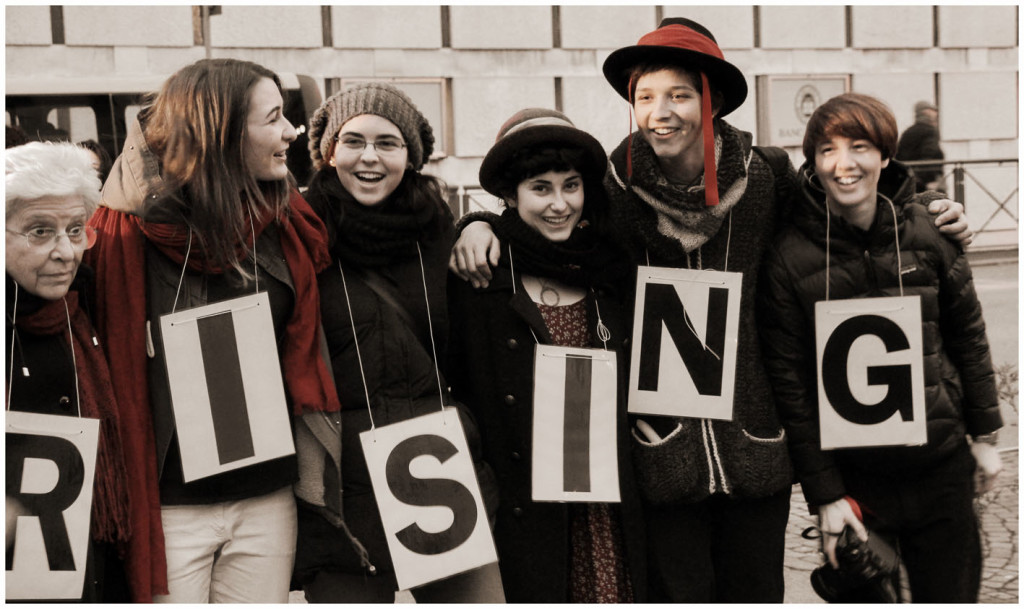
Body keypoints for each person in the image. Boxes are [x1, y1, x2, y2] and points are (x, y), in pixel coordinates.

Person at [450, 18, 974, 603]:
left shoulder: (766, 174)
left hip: (755, 445)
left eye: (679, 94)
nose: (660, 112)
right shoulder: (612, 190)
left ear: (713, 100)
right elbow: (546, 220)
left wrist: (924, 206)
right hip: (663, 455)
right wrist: (479, 223)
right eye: (645, 97)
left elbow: (847, 202)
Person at [85, 58, 341, 603]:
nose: (291, 131)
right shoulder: (120, 233)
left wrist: (481, 225)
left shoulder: (286, 218)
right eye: (273, 118)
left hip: (267, 498)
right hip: (167, 507)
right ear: (221, 133)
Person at [759, 92, 1002, 602]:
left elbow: (969, 335)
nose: (842, 165)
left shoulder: (931, 233)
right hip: (856, 483)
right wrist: (824, 493)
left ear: (886, 155)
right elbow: (791, 383)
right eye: (827, 150)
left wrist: (984, 436)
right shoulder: (789, 257)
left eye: (859, 147)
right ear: (813, 161)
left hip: (940, 468)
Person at [292, 82, 503, 603]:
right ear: (327, 152)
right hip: (344, 484)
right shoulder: (296, 233)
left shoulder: (439, 232)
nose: (370, 157)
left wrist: (482, 221)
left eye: (388, 143)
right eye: (353, 141)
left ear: (410, 156)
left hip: (439, 471)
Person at [446, 108, 645, 602]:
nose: (560, 204)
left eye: (571, 185)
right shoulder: (482, 275)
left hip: (607, 500)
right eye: (541, 188)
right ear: (510, 196)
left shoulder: (609, 267)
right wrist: (473, 223)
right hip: (526, 503)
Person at [6, 141, 131, 602]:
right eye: (40, 231)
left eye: (76, 230)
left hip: (89, 567)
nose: (65, 251)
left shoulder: (87, 306)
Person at [896, 100, 945, 193]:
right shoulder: (930, 131)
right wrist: (930, 180)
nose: (936, 113)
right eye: (932, 110)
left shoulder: (908, 132)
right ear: (926, 113)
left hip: (910, 180)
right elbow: (930, 155)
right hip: (927, 182)